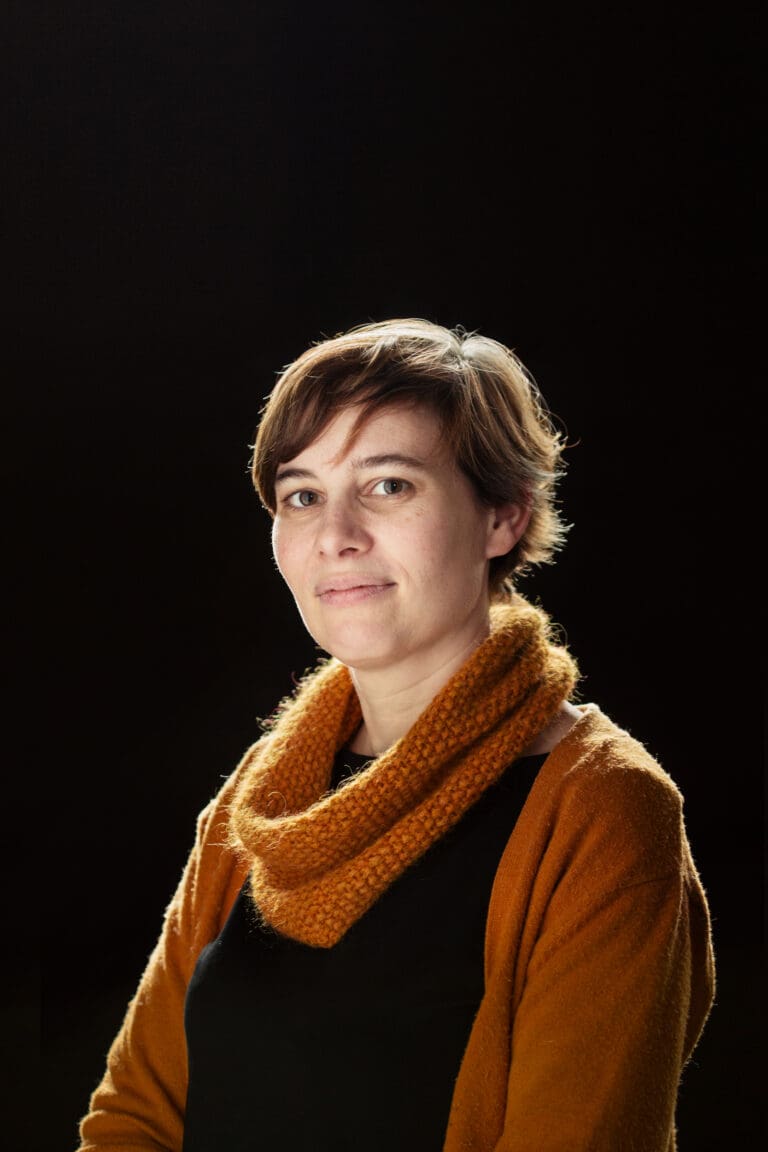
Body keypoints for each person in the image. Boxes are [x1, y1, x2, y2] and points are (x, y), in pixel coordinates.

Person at [77, 318, 715, 1151]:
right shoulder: (264, 797)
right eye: (302, 495)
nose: (335, 535)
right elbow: (135, 1115)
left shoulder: (603, 810)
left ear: (503, 516)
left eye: (388, 485)